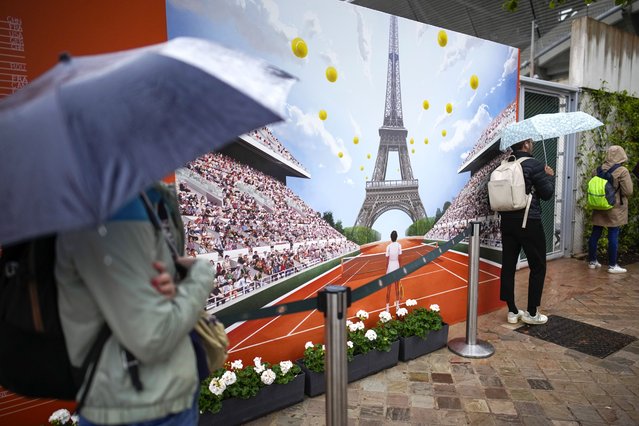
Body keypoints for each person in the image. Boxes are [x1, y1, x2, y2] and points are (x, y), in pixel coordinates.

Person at [55, 184, 214, 426]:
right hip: (143, 402)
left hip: (148, 394)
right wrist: (201, 274)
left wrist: (175, 282)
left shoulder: (151, 197)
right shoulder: (117, 206)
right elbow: (152, 337)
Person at [499, 138, 555, 325]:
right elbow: (546, 194)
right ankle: (532, 313)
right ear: (526, 145)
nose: (532, 144)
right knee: (537, 266)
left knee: (508, 265)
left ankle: (512, 311)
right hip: (529, 221)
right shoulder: (534, 164)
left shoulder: (505, 164)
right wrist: (548, 176)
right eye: (530, 142)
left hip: (507, 222)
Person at [588, 145, 634, 273]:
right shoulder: (622, 171)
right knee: (613, 234)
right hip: (615, 207)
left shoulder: (597, 170)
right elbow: (628, 191)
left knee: (595, 233)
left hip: (598, 206)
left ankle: (592, 261)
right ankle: (613, 265)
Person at [385, 230, 402, 312]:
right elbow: (400, 259)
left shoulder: (388, 247)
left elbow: (387, 260)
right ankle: (397, 307)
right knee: (396, 288)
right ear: (396, 237)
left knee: (388, 289)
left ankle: (387, 309)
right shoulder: (399, 245)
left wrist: (386, 271)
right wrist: (400, 269)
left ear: (391, 237)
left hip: (390, 268)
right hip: (397, 267)